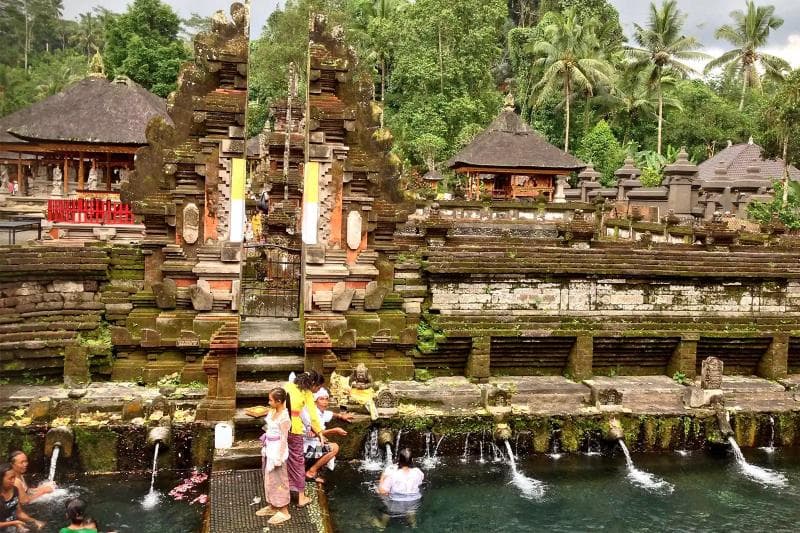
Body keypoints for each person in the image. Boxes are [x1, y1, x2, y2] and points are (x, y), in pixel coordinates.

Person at [284, 371, 325, 508]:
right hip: (294, 429)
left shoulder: (288, 386)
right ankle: (301, 497)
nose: (316, 391)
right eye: (318, 388)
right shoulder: (306, 392)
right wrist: (319, 431)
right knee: (297, 461)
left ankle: (283, 490)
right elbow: (313, 416)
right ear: (313, 384)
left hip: (280, 427)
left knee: (284, 459)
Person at [301, 387, 354, 483]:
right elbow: (315, 433)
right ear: (315, 401)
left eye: (326, 399)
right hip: (305, 450)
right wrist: (334, 430)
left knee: (328, 445)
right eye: (321, 399)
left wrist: (340, 416)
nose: (325, 402)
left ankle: (316, 468)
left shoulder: (320, 412)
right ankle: (311, 472)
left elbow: (329, 413)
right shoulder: (312, 414)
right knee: (334, 447)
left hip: (311, 446)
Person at [256, 388, 292, 526]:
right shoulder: (272, 412)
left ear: (278, 401)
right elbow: (269, 428)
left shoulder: (284, 417)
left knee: (280, 480)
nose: (268, 402)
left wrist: (279, 456)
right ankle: (273, 505)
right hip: (269, 448)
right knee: (269, 478)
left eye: (270, 400)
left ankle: (284, 510)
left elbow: (284, 438)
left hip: (278, 451)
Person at [376, 448, 424, 528]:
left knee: (386, 512)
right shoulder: (418, 472)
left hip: (396, 502)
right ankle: (413, 524)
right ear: (412, 460)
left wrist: (382, 477)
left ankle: (381, 526)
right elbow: (420, 481)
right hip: (415, 500)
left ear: (399, 460)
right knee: (411, 512)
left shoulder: (393, 475)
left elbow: (383, 491)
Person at [0, 462, 45, 533]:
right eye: (10, 478)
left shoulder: (14, 490)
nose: (13, 481)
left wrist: (34, 521)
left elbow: (19, 513)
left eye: (14, 477)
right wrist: (14, 523)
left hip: (14, 527)